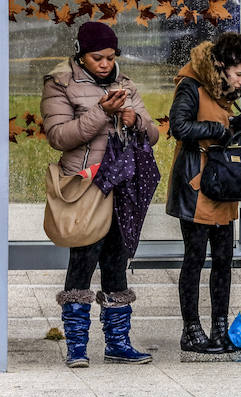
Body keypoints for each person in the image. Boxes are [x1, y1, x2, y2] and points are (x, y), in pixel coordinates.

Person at [42, 20, 160, 367]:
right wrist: (102, 113)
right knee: (83, 258)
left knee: (115, 260)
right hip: (86, 185)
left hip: (122, 184)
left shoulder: (125, 84)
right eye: (98, 58)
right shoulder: (60, 82)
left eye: (110, 57)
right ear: (81, 55)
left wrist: (134, 120)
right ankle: (77, 345)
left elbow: (152, 134)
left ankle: (118, 343)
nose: (106, 64)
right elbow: (59, 136)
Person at [165, 32, 241, 354]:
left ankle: (219, 326)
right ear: (219, 65)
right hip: (195, 185)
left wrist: (239, 123)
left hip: (222, 185)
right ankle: (190, 329)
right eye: (239, 74)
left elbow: (229, 122)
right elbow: (180, 127)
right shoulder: (191, 85)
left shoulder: (224, 90)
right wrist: (219, 130)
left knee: (223, 260)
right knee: (194, 258)